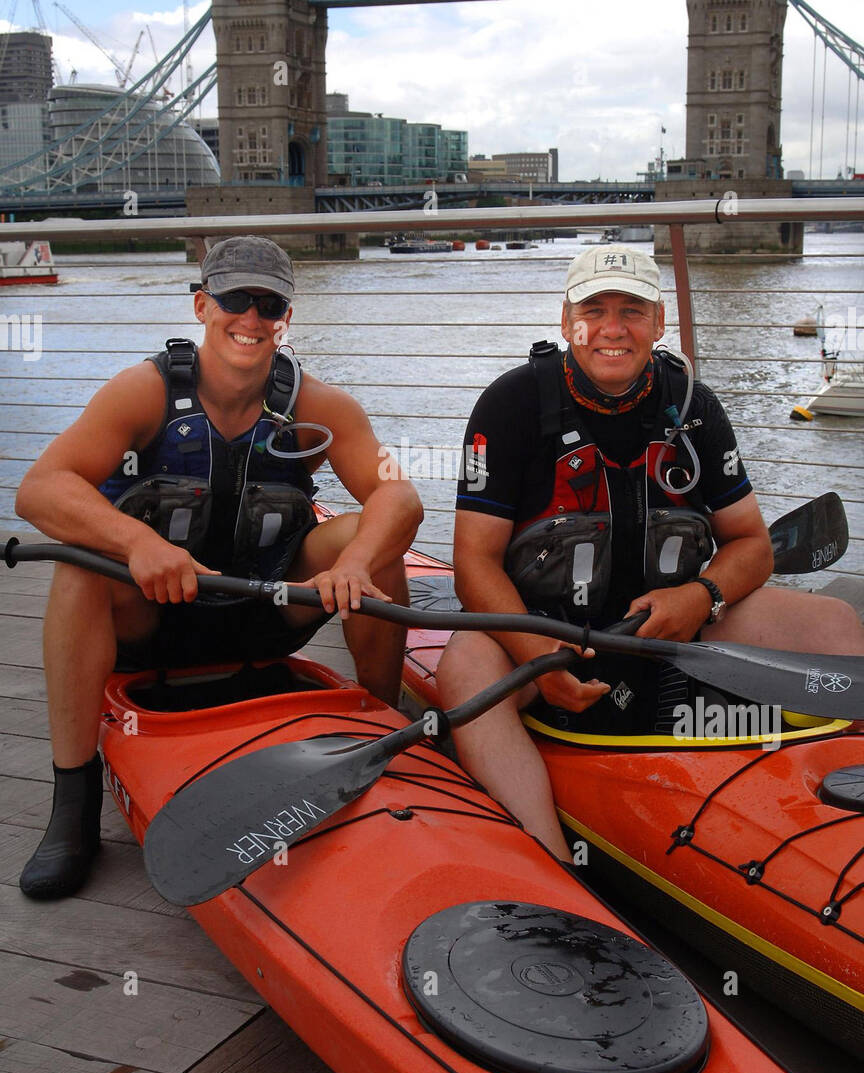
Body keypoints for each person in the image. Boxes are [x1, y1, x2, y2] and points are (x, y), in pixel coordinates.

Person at [15, 235, 423, 898]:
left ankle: (381, 727)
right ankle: (74, 802)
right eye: (236, 299)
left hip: (264, 614)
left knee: (370, 541)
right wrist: (137, 544)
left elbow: (399, 494)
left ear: (285, 316)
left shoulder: (320, 406)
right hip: (156, 619)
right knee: (83, 563)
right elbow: (41, 488)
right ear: (203, 305)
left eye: (270, 304)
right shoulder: (141, 392)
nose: (252, 318)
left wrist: (354, 559)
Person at [437, 245, 864, 862]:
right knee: (466, 668)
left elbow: (751, 544)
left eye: (632, 311)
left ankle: (843, 799)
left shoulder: (693, 407)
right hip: (543, 638)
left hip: (672, 633)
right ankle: (548, 861)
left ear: (659, 323)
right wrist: (538, 652)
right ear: (565, 323)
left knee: (836, 624)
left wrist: (702, 595)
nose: (613, 329)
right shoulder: (509, 406)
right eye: (594, 310)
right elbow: (473, 562)